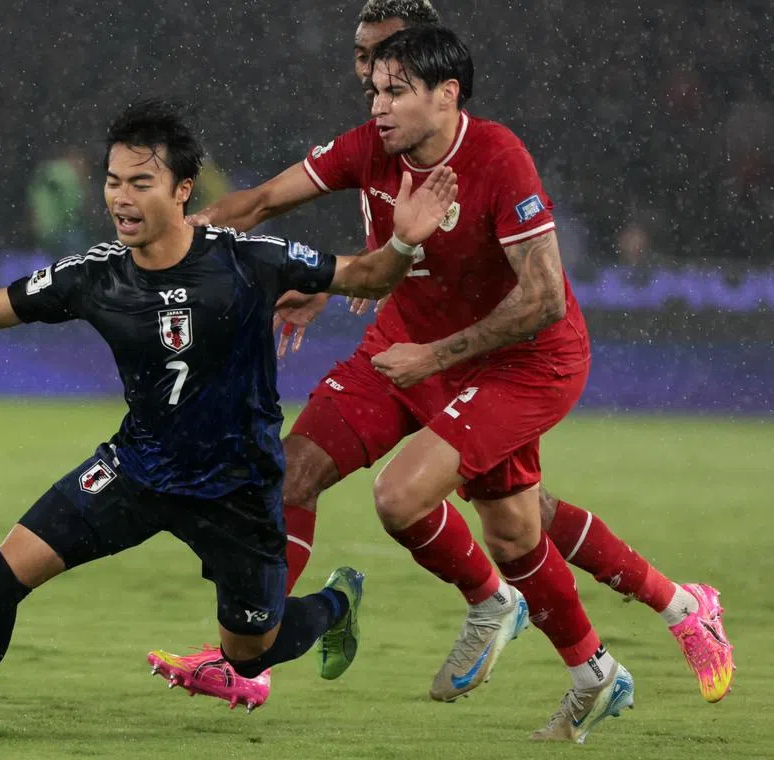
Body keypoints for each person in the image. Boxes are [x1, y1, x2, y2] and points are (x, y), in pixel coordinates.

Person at [0, 97, 459, 731]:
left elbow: (365, 277)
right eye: (113, 181)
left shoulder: (250, 260)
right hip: (136, 471)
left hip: (238, 489)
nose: (120, 199)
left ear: (183, 192)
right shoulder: (96, 276)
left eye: (140, 183)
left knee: (251, 656)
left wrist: (403, 244)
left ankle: (337, 603)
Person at [151, 0, 733, 716]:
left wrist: (428, 351)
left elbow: (543, 298)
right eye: (367, 71)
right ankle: (256, 658)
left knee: (484, 516)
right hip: (407, 343)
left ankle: (648, 615)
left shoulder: (493, 156)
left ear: (437, 77)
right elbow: (268, 201)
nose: (371, 87)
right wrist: (179, 234)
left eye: (387, 73)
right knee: (294, 470)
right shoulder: (371, 143)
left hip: (513, 361)